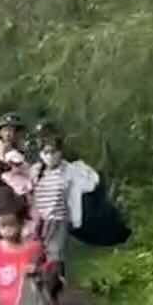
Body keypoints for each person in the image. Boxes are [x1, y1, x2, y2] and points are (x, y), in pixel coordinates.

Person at [29, 123, 100, 291]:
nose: (50, 156)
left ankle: (55, 287)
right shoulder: (36, 171)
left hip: (58, 220)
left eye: (54, 152)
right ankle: (39, 288)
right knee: (36, 255)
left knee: (55, 256)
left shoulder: (68, 170)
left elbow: (92, 181)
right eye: (46, 152)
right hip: (38, 221)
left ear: (60, 152)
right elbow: (27, 190)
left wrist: (79, 165)